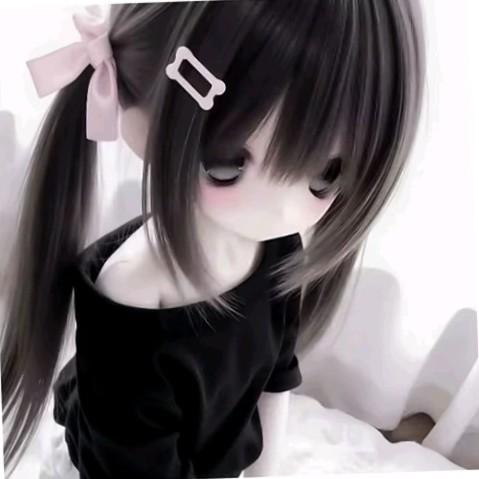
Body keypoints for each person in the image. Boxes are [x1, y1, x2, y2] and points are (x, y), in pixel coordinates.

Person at [0, 1, 426, 478]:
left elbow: (274, 378)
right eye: (227, 163)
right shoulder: (133, 298)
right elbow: (129, 460)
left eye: (326, 176)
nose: (281, 211)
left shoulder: (278, 247)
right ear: (138, 117)